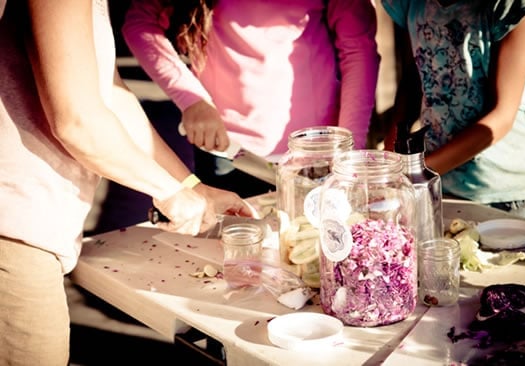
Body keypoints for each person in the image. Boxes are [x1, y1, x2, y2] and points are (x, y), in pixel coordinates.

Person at [0, 0, 253, 364]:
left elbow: (112, 96)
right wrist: (168, 192)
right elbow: (78, 120)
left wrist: (192, 187)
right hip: (13, 225)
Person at [122, 0, 380, 197]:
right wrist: (191, 99)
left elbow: (359, 50)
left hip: (320, 156)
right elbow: (140, 23)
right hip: (226, 150)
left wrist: (349, 149)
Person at [382, 0, 525, 225]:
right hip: (439, 185)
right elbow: (414, 81)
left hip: (511, 194)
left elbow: (501, 117)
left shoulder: (511, 5)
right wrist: (391, 158)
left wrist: (414, 174)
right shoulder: (411, 4)